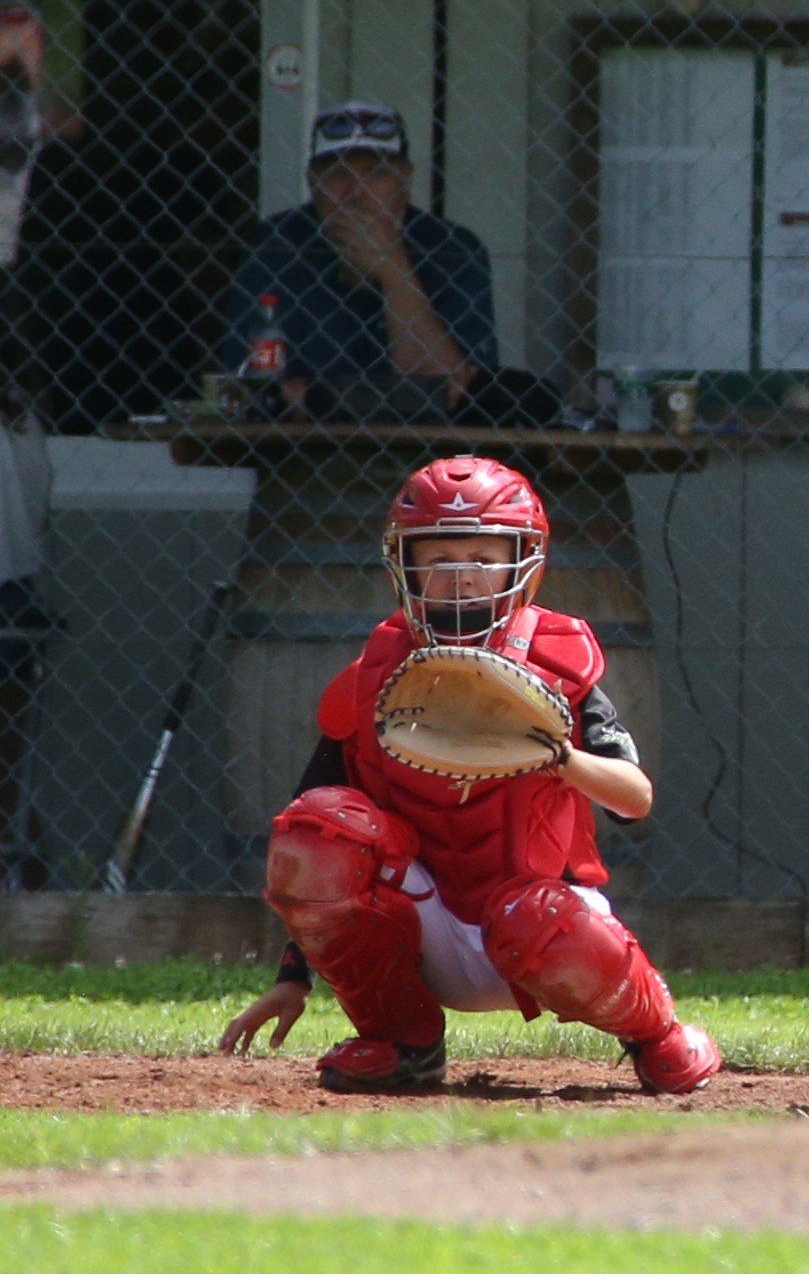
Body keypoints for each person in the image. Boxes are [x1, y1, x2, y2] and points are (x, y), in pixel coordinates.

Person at [216, 455, 720, 1095]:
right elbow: (306, 839)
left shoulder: (557, 663)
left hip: (538, 919)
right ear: (405, 565)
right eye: (440, 558)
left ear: (524, 562)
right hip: (425, 929)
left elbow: (635, 800)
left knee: (536, 918)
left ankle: (657, 1034)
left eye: (482, 558)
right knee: (320, 827)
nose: (460, 578)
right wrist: (293, 975)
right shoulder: (376, 673)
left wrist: (560, 758)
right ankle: (403, 1043)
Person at [220, 100, 552, 426]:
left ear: (405, 181)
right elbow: (247, 396)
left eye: (377, 173)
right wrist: (405, 398)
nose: (356, 193)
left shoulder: (453, 249)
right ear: (312, 182)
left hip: (429, 454)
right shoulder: (274, 246)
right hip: (295, 450)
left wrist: (393, 267)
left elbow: (458, 397)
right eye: (337, 174)